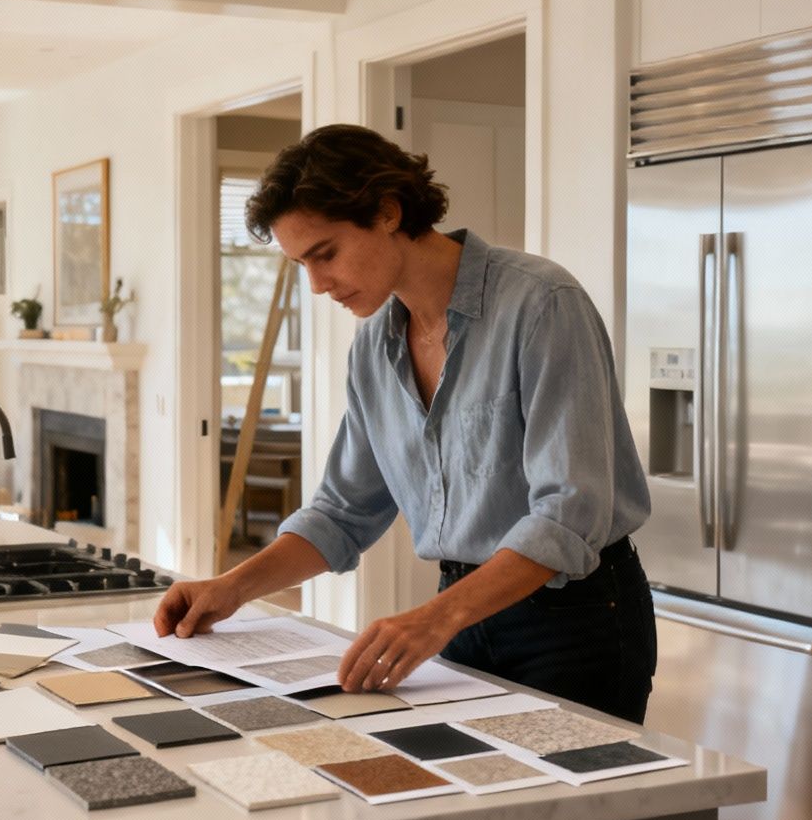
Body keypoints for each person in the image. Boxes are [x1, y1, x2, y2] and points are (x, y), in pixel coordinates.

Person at [152, 124, 656, 722]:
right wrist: (229, 587)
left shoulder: (541, 304)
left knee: (572, 814)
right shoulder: (373, 350)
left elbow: (570, 514)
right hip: (462, 615)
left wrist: (434, 620)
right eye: (301, 265)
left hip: (577, 621)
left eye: (326, 254)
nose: (317, 285)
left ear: (388, 211)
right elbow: (342, 513)